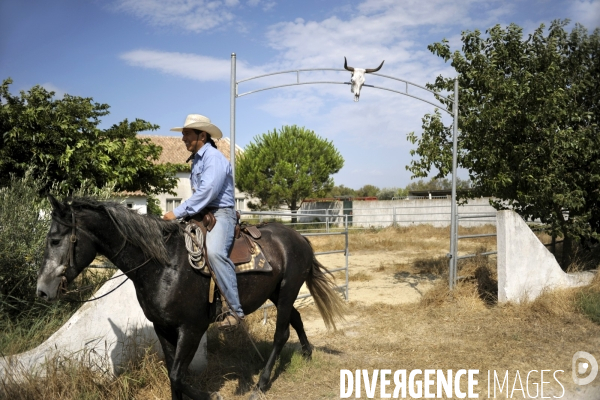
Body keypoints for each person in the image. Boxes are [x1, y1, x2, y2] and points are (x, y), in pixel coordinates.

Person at [162, 114, 244, 329]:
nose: (183, 139)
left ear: (202, 135)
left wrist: (177, 212)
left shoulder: (214, 158)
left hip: (220, 214)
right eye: (183, 134)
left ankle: (235, 310)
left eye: (187, 134)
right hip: (201, 213)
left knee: (215, 253)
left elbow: (207, 191)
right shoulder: (198, 159)